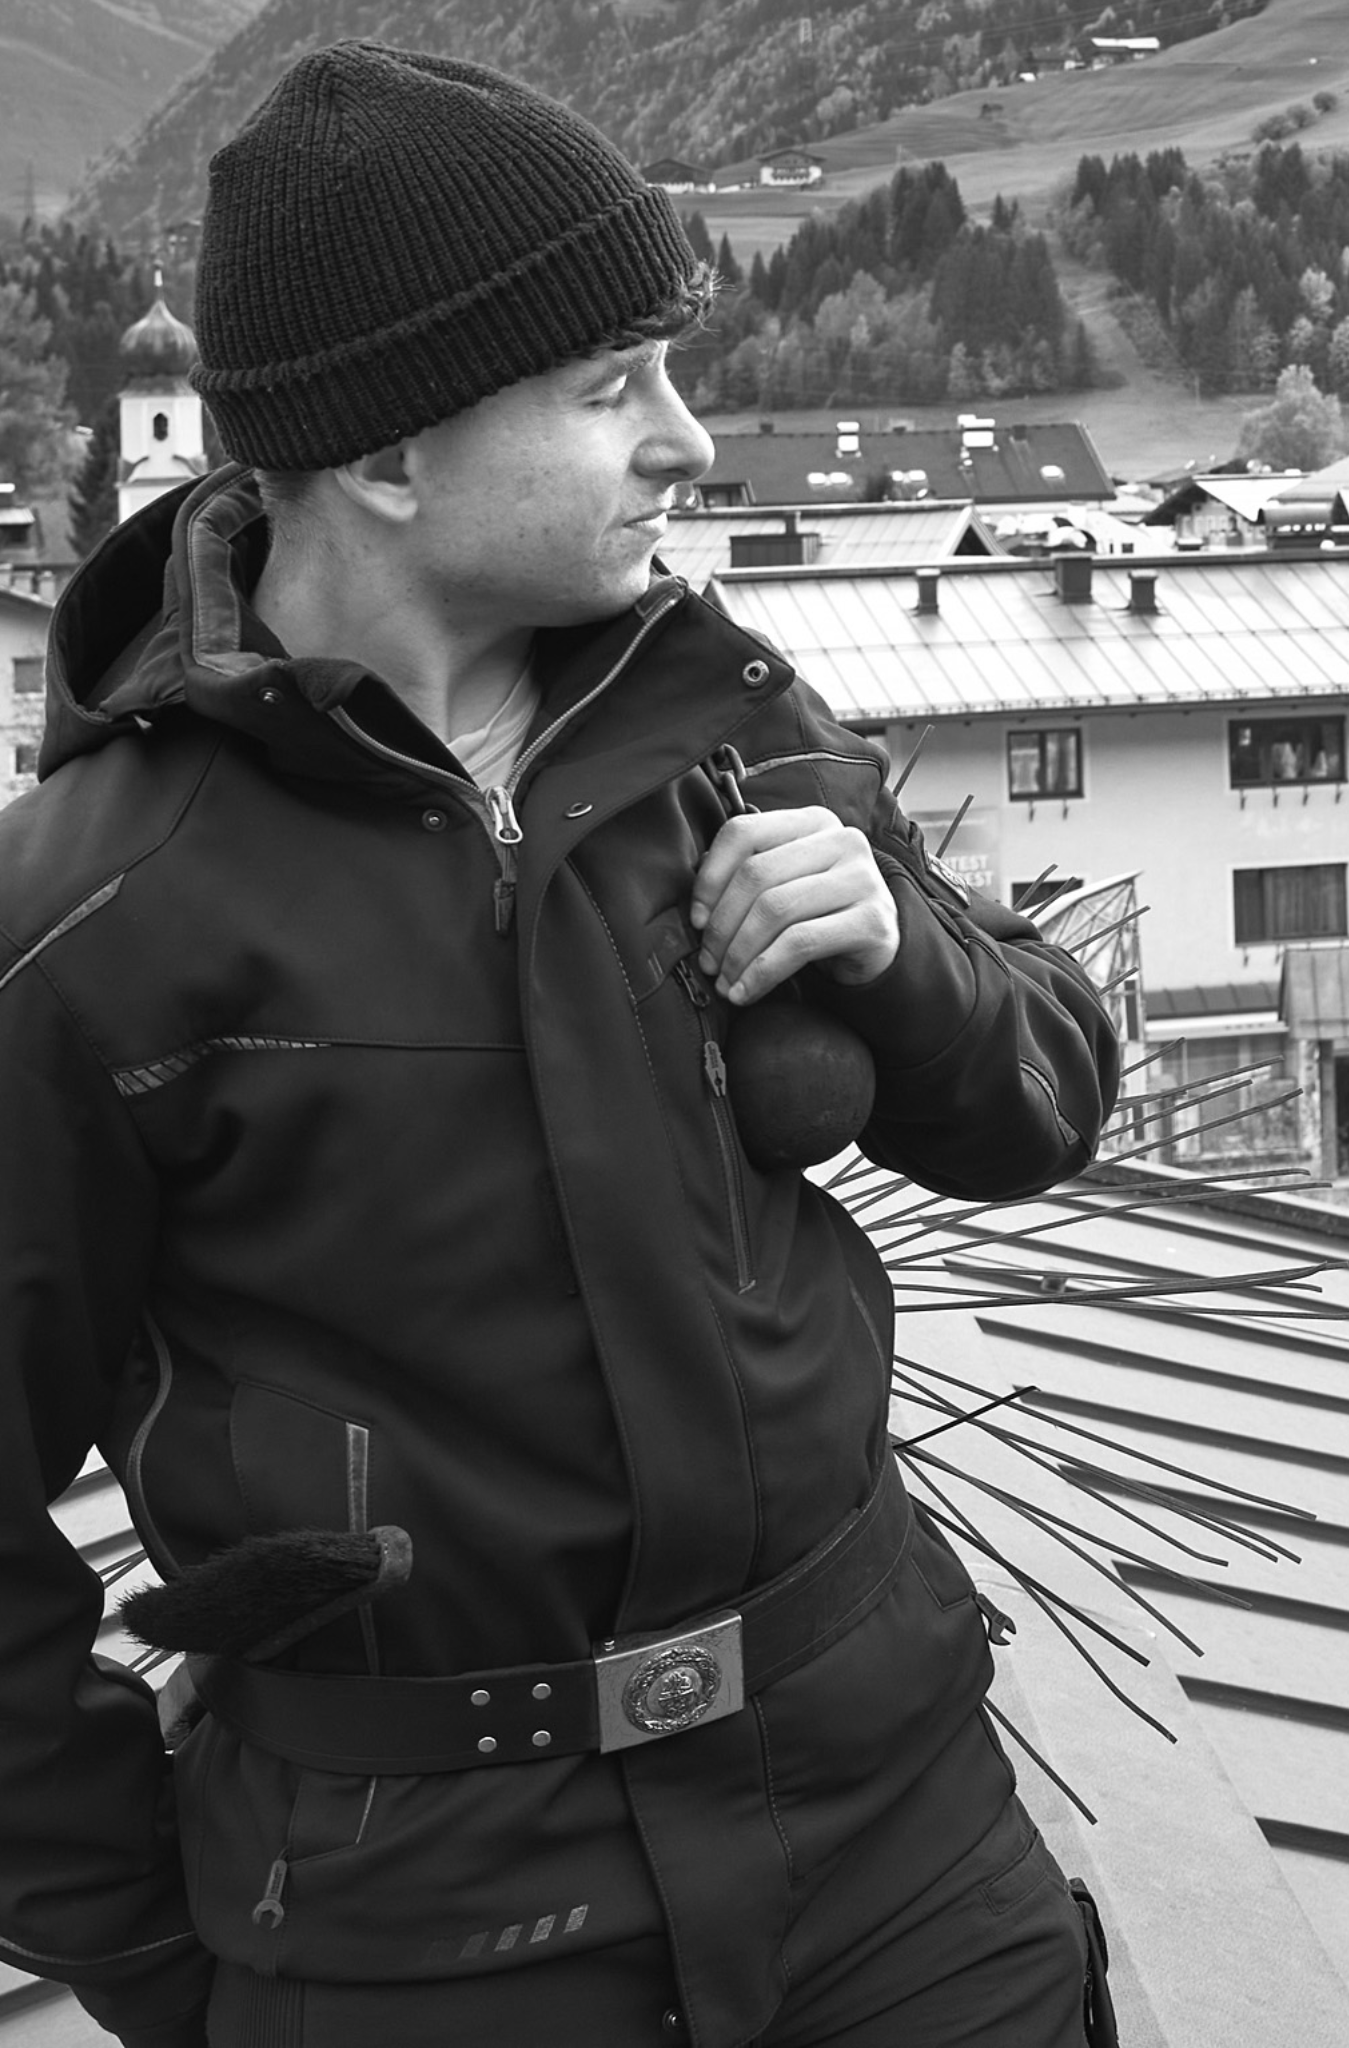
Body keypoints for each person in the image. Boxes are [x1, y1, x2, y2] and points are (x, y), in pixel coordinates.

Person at [0, 40, 1120, 2048]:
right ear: (386, 453)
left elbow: (1043, 1101)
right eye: (611, 388)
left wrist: (898, 954)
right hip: (428, 1928)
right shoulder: (92, 921)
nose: (685, 443)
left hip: (898, 1852)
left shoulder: (725, 717)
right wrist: (166, 1960)